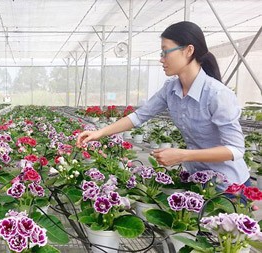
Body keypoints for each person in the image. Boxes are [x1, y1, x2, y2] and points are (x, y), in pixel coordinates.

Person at [76, 21, 249, 187]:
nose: (161, 59)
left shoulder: (217, 94)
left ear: (189, 50)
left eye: (165, 52)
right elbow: (138, 116)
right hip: (198, 179)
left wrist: (183, 155)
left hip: (229, 185)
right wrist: (99, 133)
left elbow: (235, 150)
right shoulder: (171, 89)